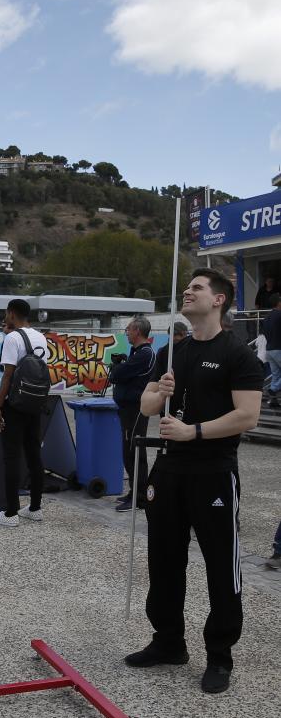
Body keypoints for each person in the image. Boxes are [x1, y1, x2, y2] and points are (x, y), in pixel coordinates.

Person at [126, 268, 263, 694]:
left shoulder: (238, 354)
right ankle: (168, 642)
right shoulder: (174, 351)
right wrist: (158, 391)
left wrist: (194, 431)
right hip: (169, 472)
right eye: (187, 288)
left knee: (222, 568)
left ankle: (219, 656)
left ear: (218, 300)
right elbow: (147, 404)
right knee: (164, 561)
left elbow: (248, 416)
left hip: (214, 473)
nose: (188, 292)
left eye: (197, 288)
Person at [0, 299, 48, 527]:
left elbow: (8, 375)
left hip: (15, 405)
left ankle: (11, 512)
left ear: (11, 314)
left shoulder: (12, 338)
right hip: (35, 403)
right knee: (34, 454)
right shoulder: (40, 337)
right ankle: (35, 507)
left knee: (12, 456)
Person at [109, 316, 156, 512]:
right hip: (127, 409)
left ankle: (140, 497)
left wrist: (118, 368)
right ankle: (134, 491)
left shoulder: (145, 353)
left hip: (135, 410)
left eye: (128, 329)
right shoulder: (137, 352)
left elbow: (118, 374)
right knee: (128, 452)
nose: (126, 332)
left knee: (134, 451)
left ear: (137, 331)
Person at [262, 293, 281, 408]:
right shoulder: (280, 315)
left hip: (269, 349)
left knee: (276, 375)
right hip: (279, 348)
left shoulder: (267, 317)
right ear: (278, 303)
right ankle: (273, 390)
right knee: (276, 377)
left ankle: (273, 401)